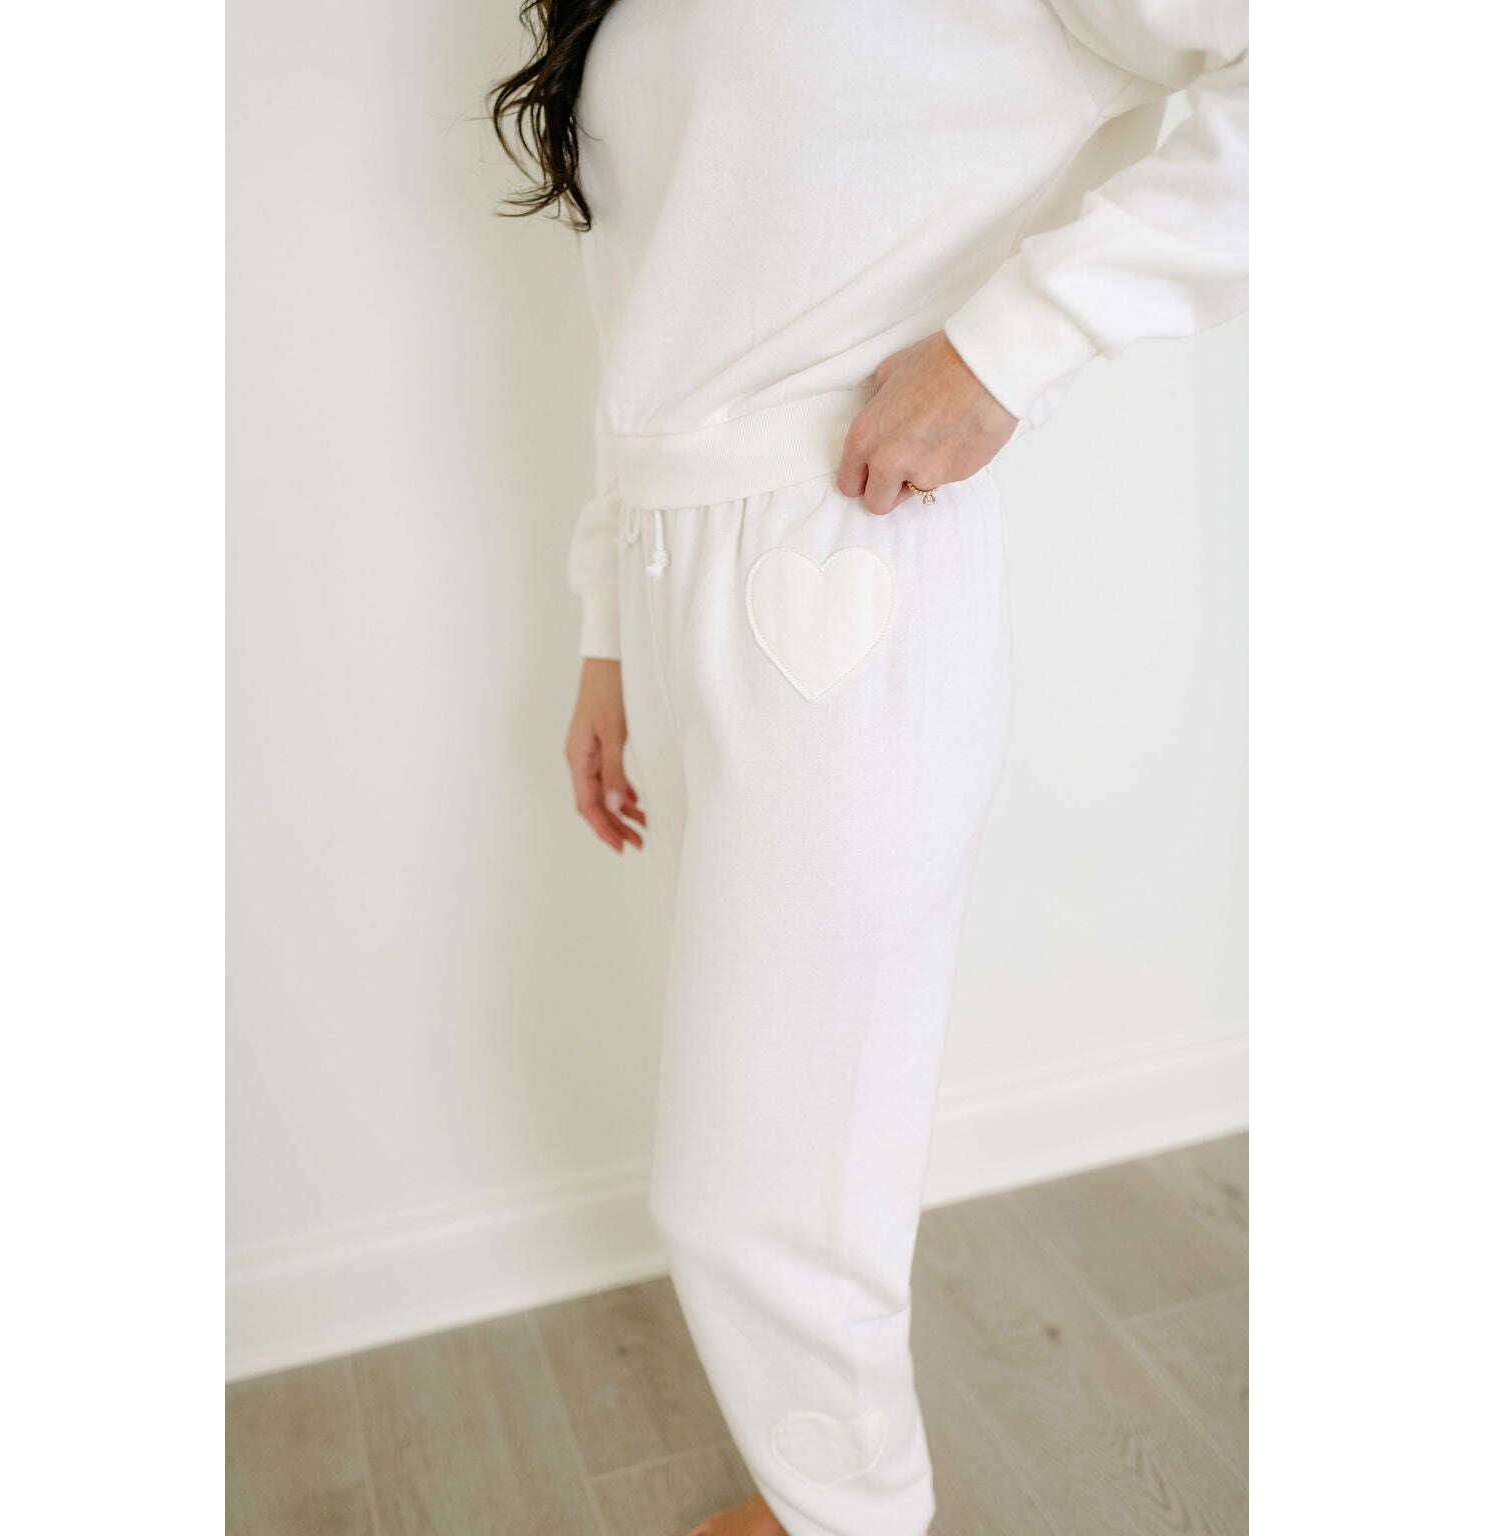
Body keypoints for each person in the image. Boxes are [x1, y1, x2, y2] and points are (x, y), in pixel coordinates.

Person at [492, 3, 1247, 1532]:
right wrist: (607, 627)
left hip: (842, 559)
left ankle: (853, 1515)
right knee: (781, 1158)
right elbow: (648, 316)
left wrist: (1008, 347)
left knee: (756, 1199)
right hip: (676, 580)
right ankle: (818, 1498)